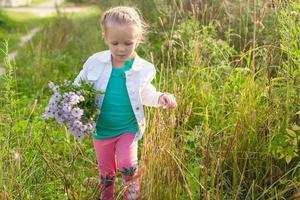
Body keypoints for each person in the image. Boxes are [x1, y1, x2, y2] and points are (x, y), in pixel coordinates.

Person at [74, 6, 177, 200]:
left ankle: (132, 196)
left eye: (128, 43)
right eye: (115, 43)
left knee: (127, 165)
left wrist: (160, 97)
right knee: (106, 173)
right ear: (105, 38)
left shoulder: (141, 69)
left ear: (137, 39)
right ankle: (107, 197)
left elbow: (145, 92)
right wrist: (72, 103)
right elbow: (78, 86)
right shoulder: (95, 62)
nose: (121, 48)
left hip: (127, 129)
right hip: (101, 129)